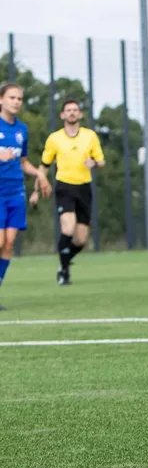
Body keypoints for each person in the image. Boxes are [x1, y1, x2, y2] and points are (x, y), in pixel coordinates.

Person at [39, 98, 105, 285]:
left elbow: (101, 161)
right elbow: (44, 165)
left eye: (75, 110)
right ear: (62, 115)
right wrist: (38, 186)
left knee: (80, 240)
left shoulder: (90, 136)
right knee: (67, 229)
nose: (72, 113)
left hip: (84, 187)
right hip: (64, 187)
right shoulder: (55, 138)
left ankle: (63, 262)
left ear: (80, 114)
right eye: (68, 110)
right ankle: (65, 273)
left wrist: (94, 163)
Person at [0, 83, 51, 305]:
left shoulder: (22, 129)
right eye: (12, 97)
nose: (16, 102)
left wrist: (39, 175)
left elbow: (23, 162)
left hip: (15, 193)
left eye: (19, 98)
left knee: (9, 243)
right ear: (1, 100)